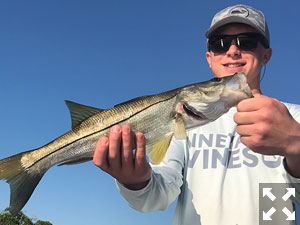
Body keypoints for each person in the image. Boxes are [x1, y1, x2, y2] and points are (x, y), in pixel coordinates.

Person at [93, 4, 300, 225]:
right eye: (220, 44)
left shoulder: (295, 116)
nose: (232, 50)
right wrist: (135, 181)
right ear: (209, 58)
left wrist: (296, 146)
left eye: (247, 42)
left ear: (266, 55)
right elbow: (157, 196)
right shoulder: (185, 120)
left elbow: (294, 199)